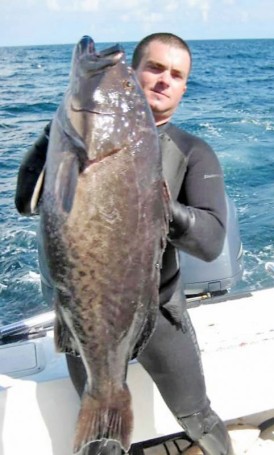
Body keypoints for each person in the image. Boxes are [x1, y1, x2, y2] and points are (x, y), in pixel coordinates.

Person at [15, 33, 233, 455]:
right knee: (101, 438)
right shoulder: (72, 134)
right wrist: (55, 136)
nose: (164, 80)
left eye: (177, 74)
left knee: (200, 418)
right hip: (86, 316)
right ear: (133, 73)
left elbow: (210, 242)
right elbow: (27, 201)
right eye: (154, 68)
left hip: (162, 313)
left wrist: (161, 208)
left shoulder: (193, 151)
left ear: (185, 87)